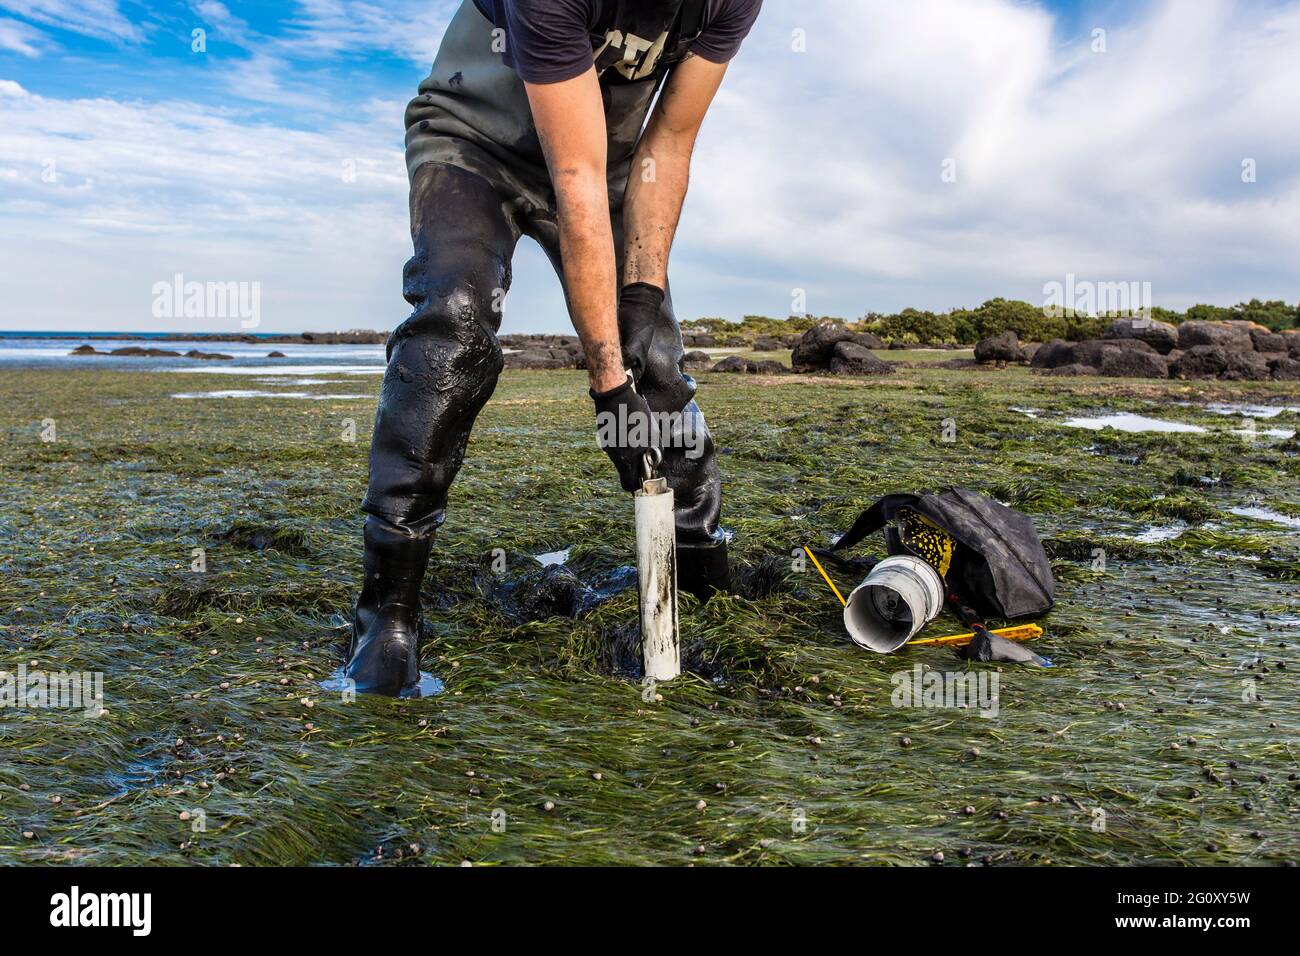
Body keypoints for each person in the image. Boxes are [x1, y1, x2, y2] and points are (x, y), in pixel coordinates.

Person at [347, 0, 763, 695]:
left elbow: (669, 146)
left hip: (610, 166)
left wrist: (641, 304)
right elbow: (571, 178)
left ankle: (696, 573)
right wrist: (607, 391)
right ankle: (386, 612)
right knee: (455, 324)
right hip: (475, 145)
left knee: (653, 359)